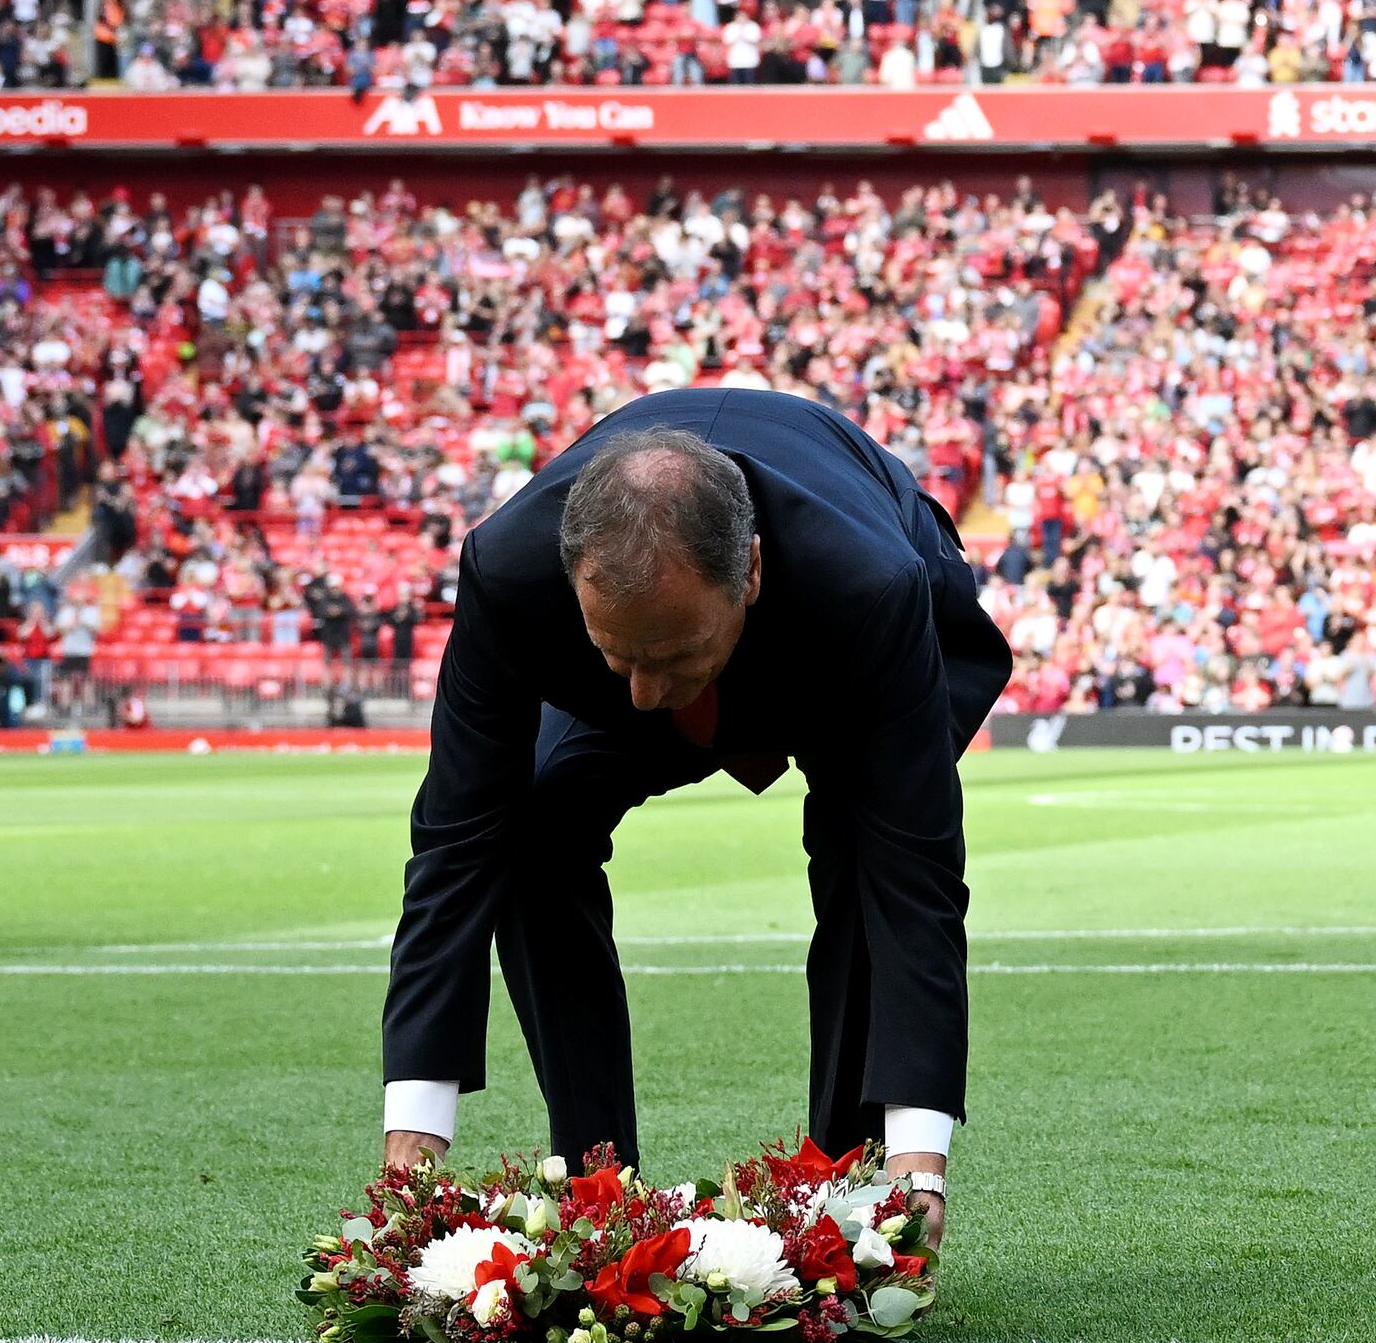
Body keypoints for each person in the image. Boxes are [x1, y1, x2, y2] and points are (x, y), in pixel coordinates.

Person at [374, 388, 1011, 1213]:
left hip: (837, 639)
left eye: (670, 655)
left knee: (864, 845)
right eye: (616, 653)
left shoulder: (874, 586)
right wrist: (413, 1137)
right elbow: (456, 843)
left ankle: (848, 1194)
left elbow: (916, 874)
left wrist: (920, 1164)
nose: (643, 698)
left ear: (748, 569)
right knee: (532, 820)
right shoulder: (508, 570)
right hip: (696, 614)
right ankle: (599, 1187)